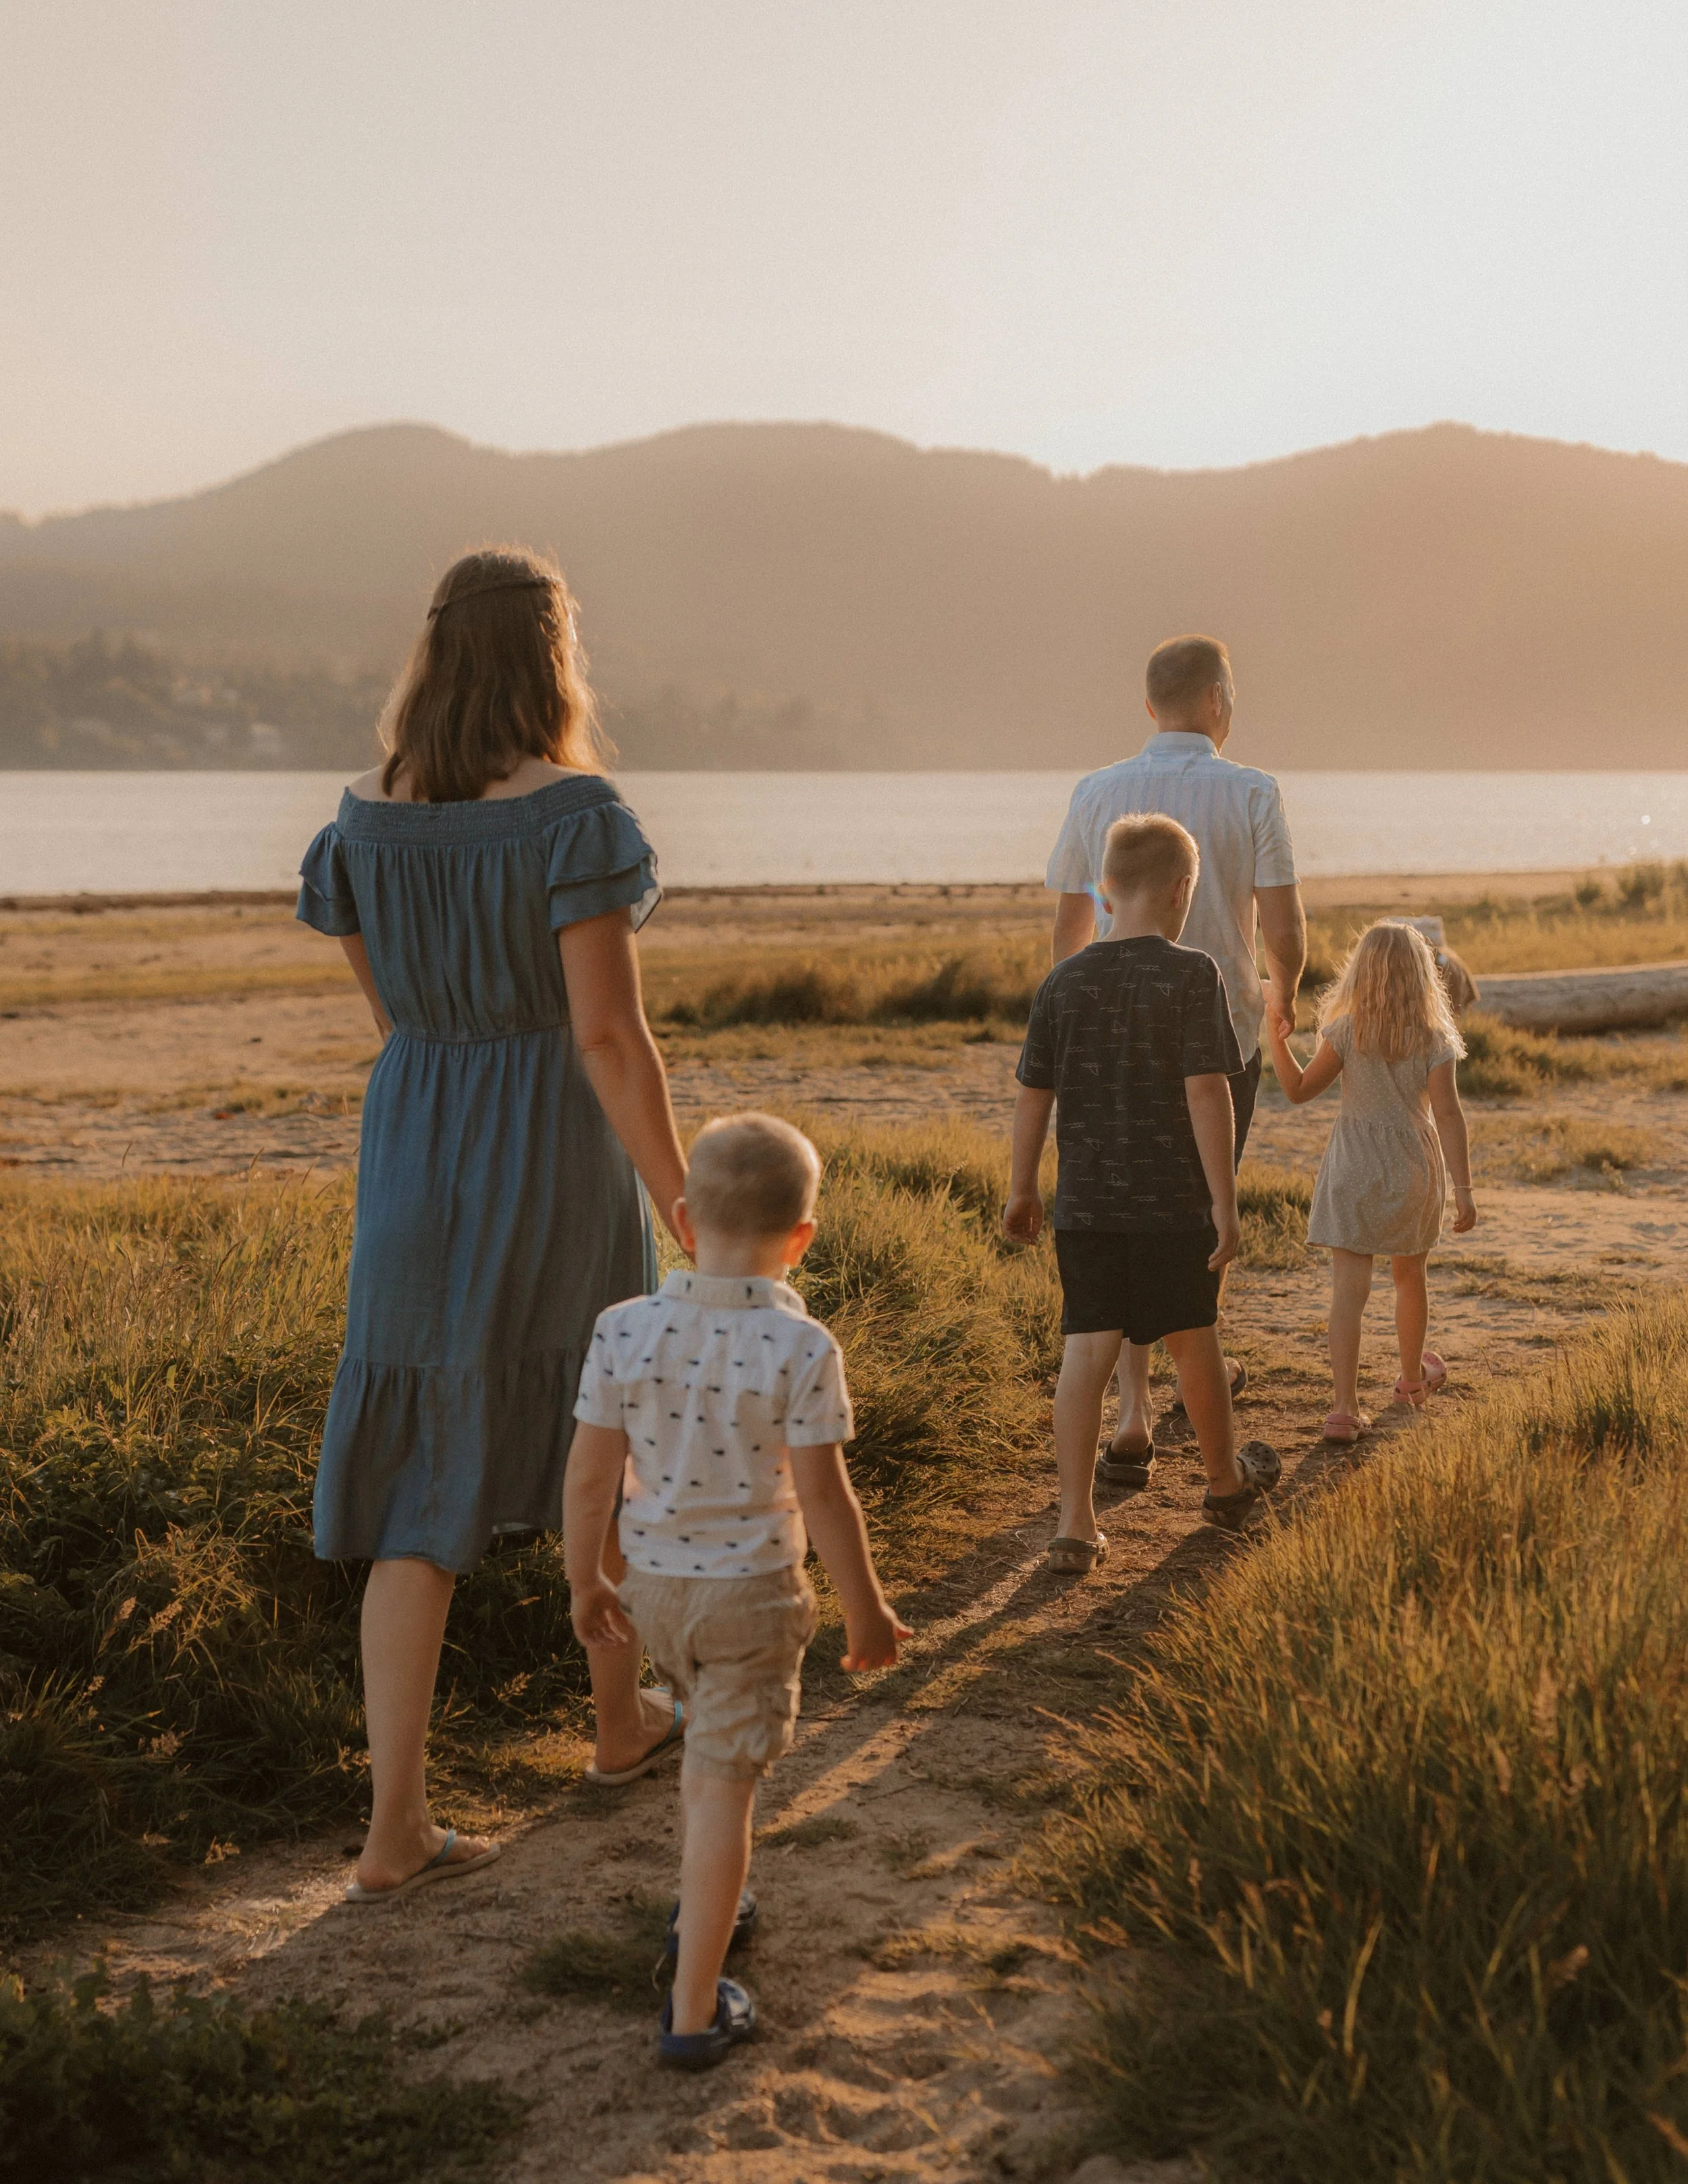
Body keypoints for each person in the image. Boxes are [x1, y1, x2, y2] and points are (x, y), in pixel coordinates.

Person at [296, 546, 690, 1905]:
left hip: (416, 1134)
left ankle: (392, 1828)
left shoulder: (357, 816)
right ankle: (620, 1724)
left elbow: (392, 1013)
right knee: (609, 1425)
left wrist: (452, 1068)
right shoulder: (572, 813)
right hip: (552, 1145)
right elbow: (605, 1033)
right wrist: (680, 1190)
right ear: (550, 654)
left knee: (418, 1488)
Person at [564, 1113, 908, 2069]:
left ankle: (708, 1901)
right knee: (723, 1795)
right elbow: (827, 1500)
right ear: (803, 1236)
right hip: (752, 1600)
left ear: (681, 1217)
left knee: (702, 1751)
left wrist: (583, 1573)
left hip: (654, 1598)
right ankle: (690, 2010)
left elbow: (589, 1475)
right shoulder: (801, 1348)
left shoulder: (622, 1327)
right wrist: (868, 1606)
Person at [1045, 635, 1306, 1482]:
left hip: (1108, 1036)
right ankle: (1192, 1366)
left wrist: (1076, 1017)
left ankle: (1130, 1415)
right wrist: (1283, 993)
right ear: (1218, 701)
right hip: (1220, 1030)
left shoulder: (1095, 791)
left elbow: (1069, 931)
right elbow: (1283, 930)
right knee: (1197, 1214)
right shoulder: (1253, 790)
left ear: (1148, 702)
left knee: (1122, 1202)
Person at [1004, 814, 1283, 1568]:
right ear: (1181, 890)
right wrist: (1223, 1203)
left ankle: (1073, 1520)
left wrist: (1021, 1187)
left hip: (1087, 1207)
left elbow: (1034, 1094)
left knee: (1085, 1351)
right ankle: (1223, 1484)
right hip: (1170, 1207)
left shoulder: (1063, 979)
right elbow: (1207, 1093)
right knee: (1194, 1339)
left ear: (1103, 890)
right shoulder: (1193, 973)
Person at [1265, 921, 1477, 1443]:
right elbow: (1449, 1115)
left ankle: (1344, 1407)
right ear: (1423, 976)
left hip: (1355, 1166)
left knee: (1348, 1292)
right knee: (1410, 1277)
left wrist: (1274, 1032)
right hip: (1413, 1168)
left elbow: (1295, 1090)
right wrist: (1465, 1189)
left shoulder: (1346, 1031)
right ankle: (1410, 1381)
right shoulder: (1435, 1038)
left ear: (1360, 972)